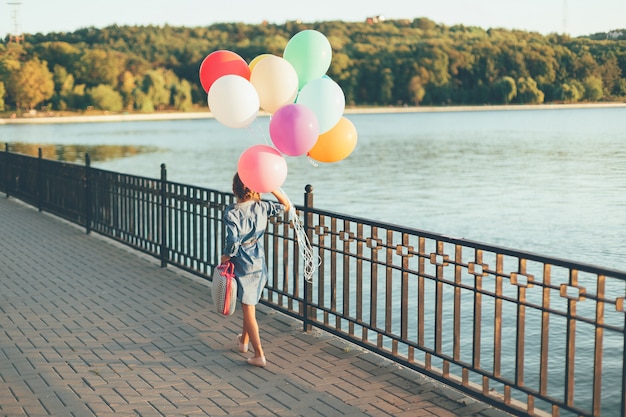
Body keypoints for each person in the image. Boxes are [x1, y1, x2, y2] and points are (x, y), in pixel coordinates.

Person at [220, 173, 290, 367]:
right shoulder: (262, 207)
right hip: (258, 259)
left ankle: (259, 354)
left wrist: (226, 255)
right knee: (248, 302)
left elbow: (233, 241)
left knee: (248, 307)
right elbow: (285, 206)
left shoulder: (232, 212)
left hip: (244, 260)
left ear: (235, 189)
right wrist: (271, 185)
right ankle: (243, 341)